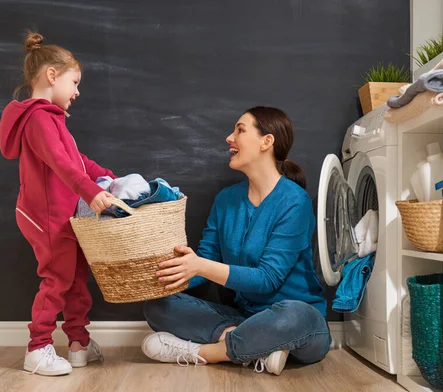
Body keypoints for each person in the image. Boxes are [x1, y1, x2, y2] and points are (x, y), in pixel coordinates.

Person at [141, 106, 330, 376]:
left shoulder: (294, 202)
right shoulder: (226, 200)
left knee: (293, 314)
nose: (230, 138)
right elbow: (205, 260)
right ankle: (257, 348)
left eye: (240, 130)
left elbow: (268, 279)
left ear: (267, 141)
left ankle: (203, 353)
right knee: (159, 306)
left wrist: (198, 266)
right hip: (244, 318)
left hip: (297, 323)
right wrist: (170, 273)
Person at [0, 31, 116, 376]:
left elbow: (76, 159)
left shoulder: (51, 120)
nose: (78, 91)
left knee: (76, 278)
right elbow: (61, 163)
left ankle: (78, 342)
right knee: (56, 280)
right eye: (74, 82)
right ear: (52, 75)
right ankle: (37, 349)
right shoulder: (37, 119)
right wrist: (91, 191)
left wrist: (106, 176)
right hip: (46, 217)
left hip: (64, 216)